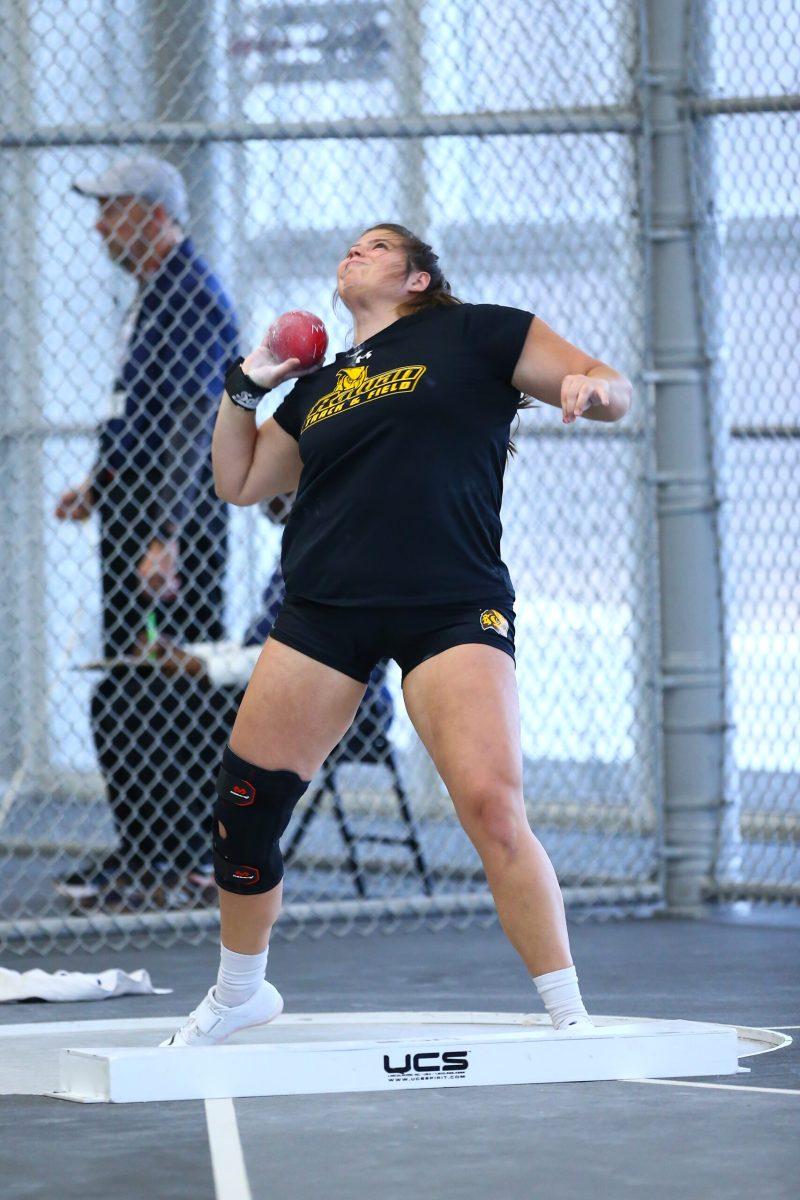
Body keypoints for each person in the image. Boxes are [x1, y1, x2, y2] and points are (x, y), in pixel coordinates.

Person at [161, 222, 633, 1047]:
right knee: (246, 805)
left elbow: (607, 380)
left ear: (417, 279)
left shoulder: (477, 332)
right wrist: (246, 387)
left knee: (490, 802)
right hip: (326, 608)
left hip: (449, 600)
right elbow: (238, 481)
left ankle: (569, 1013)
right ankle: (240, 992)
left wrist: (592, 393)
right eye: (351, 246)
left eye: (378, 247)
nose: (356, 252)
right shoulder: (321, 385)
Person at [54, 155, 239, 904]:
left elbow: (196, 424)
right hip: (141, 519)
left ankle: (179, 858)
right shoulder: (154, 294)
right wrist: (100, 484)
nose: (98, 224)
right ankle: (147, 853)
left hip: (173, 530)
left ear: (152, 214)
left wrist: (165, 533)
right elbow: (139, 408)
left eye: (111, 209)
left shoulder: (191, 297)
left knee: (165, 684)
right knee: (134, 685)